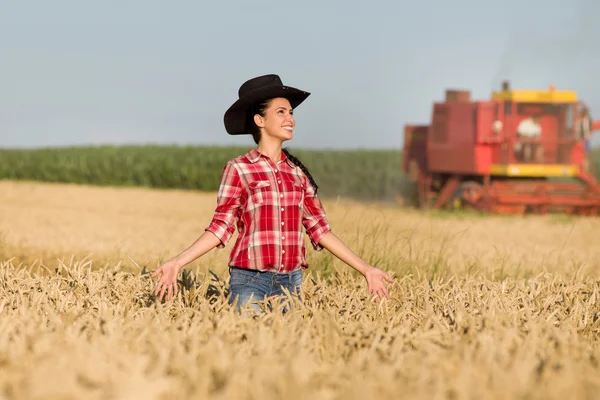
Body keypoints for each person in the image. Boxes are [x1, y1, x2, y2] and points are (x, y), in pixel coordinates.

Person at [151, 74, 394, 312]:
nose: (290, 119)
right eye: (281, 112)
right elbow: (220, 226)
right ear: (259, 120)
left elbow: (320, 230)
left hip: (291, 284)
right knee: (248, 347)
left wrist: (366, 269)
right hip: (250, 282)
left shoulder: (299, 172)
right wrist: (177, 262)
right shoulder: (239, 169)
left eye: (291, 113)